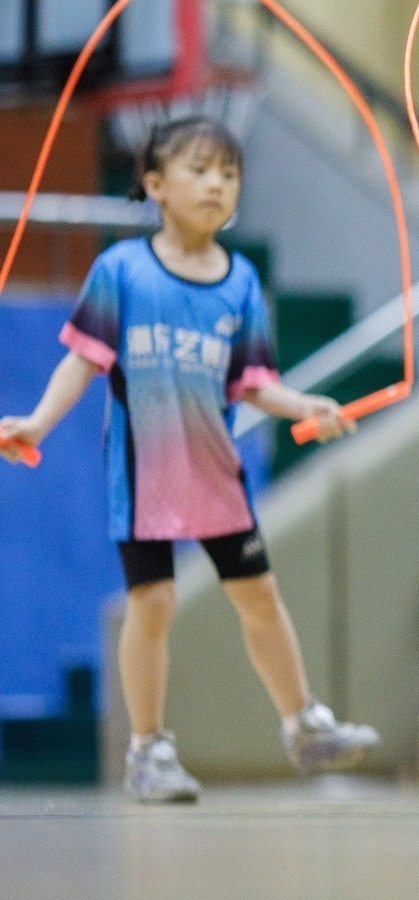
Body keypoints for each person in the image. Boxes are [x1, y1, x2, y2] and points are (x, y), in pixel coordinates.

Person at [0, 118, 380, 804]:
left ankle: (304, 725)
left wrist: (307, 407)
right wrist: (37, 422)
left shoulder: (241, 282)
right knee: (153, 603)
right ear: (154, 184)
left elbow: (254, 383)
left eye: (229, 174)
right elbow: (81, 362)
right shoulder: (121, 271)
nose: (216, 185)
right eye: (199, 170)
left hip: (215, 475)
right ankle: (147, 750)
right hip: (144, 478)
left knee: (259, 597)